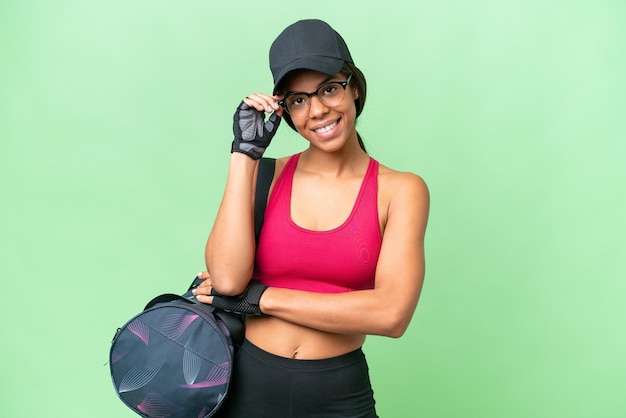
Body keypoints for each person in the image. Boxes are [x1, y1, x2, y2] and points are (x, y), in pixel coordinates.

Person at [192, 19, 429, 417]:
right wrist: (244, 156)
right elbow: (229, 281)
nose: (317, 111)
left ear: (354, 86)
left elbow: (392, 314)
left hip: (337, 395)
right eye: (299, 100)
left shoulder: (401, 190)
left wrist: (263, 299)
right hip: (246, 387)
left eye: (329, 89)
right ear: (284, 109)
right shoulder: (265, 176)